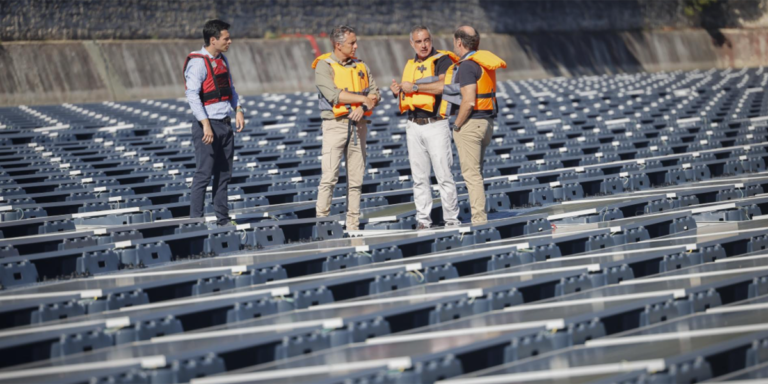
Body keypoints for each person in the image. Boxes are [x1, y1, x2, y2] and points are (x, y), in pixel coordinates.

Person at [391, 25, 461, 230]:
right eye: (419, 41)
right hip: (413, 124)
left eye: (426, 40)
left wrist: (414, 87)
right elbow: (409, 91)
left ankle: (451, 220)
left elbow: (443, 85)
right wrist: (399, 91)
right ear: (412, 43)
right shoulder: (411, 63)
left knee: (444, 175)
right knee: (419, 177)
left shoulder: (442, 60)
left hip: (435, 123)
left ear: (431, 40)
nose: (423, 45)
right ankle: (423, 220)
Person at [312, 25, 380, 231]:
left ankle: (353, 224)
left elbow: (376, 93)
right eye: (352, 43)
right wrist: (363, 99)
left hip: (359, 127)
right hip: (335, 125)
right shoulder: (324, 66)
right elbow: (334, 94)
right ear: (338, 45)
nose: (356, 46)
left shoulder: (361, 66)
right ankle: (322, 225)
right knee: (329, 177)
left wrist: (363, 105)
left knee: (356, 179)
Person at [439, 26, 506, 224]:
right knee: (477, 172)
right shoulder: (482, 62)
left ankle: (479, 220)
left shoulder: (468, 65)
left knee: (471, 174)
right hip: (487, 123)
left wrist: (456, 125)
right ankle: (480, 215)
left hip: (472, 124)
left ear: (459, 42)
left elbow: (468, 101)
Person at [183, 19, 245, 227]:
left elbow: (232, 90)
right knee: (203, 174)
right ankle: (196, 222)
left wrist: (238, 110)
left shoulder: (223, 60)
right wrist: (206, 124)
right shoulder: (198, 62)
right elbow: (192, 95)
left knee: (224, 174)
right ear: (213, 39)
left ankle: (223, 220)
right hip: (207, 126)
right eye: (226, 38)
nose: (230, 41)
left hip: (226, 125)